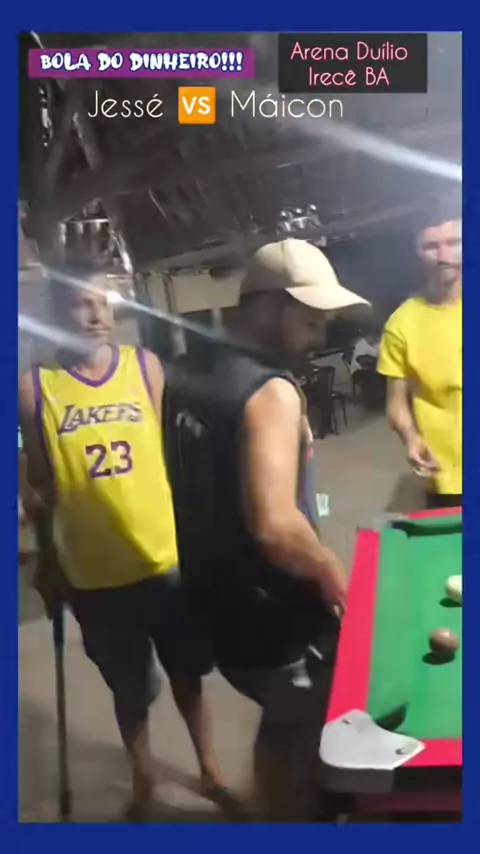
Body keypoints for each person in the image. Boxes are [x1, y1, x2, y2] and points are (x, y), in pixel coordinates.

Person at [164, 238, 369, 821]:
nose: (318, 335)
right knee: (308, 727)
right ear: (267, 305)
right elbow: (276, 526)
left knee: (281, 723)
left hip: (216, 602)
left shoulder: (187, 372)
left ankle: (275, 807)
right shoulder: (270, 390)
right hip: (274, 616)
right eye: (310, 319)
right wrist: (329, 570)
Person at [18, 264, 227, 820]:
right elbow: (40, 487)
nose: (97, 316)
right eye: (82, 304)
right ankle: (142, 777)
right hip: (94, 574)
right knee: (129, 689)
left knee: (188, 676)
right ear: (58, 312)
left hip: (163, 559)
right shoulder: (35, 387)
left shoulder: (144, 366)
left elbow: (171, 461)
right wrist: (47, 564)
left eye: (105, 304)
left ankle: (210, 770)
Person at [378, 206, 462, 509]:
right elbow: (396, 405)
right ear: (417, 251)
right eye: (431, 246)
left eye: (453, 243)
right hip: (448, 477)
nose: (443, 256)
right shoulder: (401, 324)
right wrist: (411, 438)